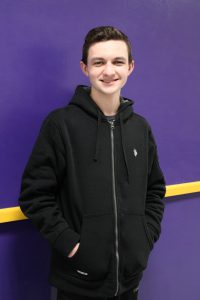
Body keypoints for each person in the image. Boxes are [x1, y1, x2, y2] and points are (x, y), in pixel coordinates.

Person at [18, 26, 166, 300]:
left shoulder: (140, 128)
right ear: (84, 68)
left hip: (129, 282)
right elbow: (34, 196)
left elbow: (155, 190)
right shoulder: (60, 125)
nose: (109, 71)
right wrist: (73, 245)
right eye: (99, 62)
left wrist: (145, 238)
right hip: (78, 282)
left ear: (131, 67)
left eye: (118, 62)